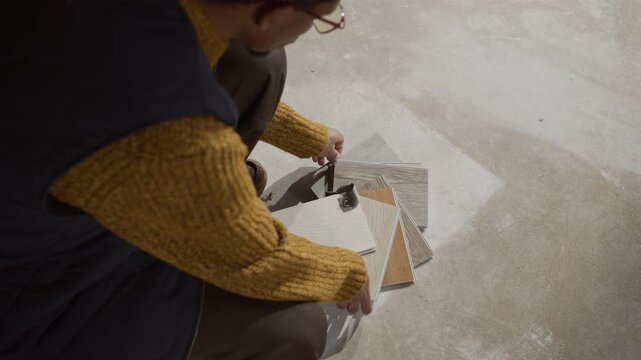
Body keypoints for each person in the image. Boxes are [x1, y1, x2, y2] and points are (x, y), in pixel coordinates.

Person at [0, 0, 371, 359]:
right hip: (37, 298)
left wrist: (307, 136)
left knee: (257, 62)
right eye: (322, 17)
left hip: (36, 176)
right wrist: (346, 273)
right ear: (271, 11)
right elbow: (249, 257)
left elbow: (188, 59)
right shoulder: (166, 131)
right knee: (294, 330)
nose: (317, 26)